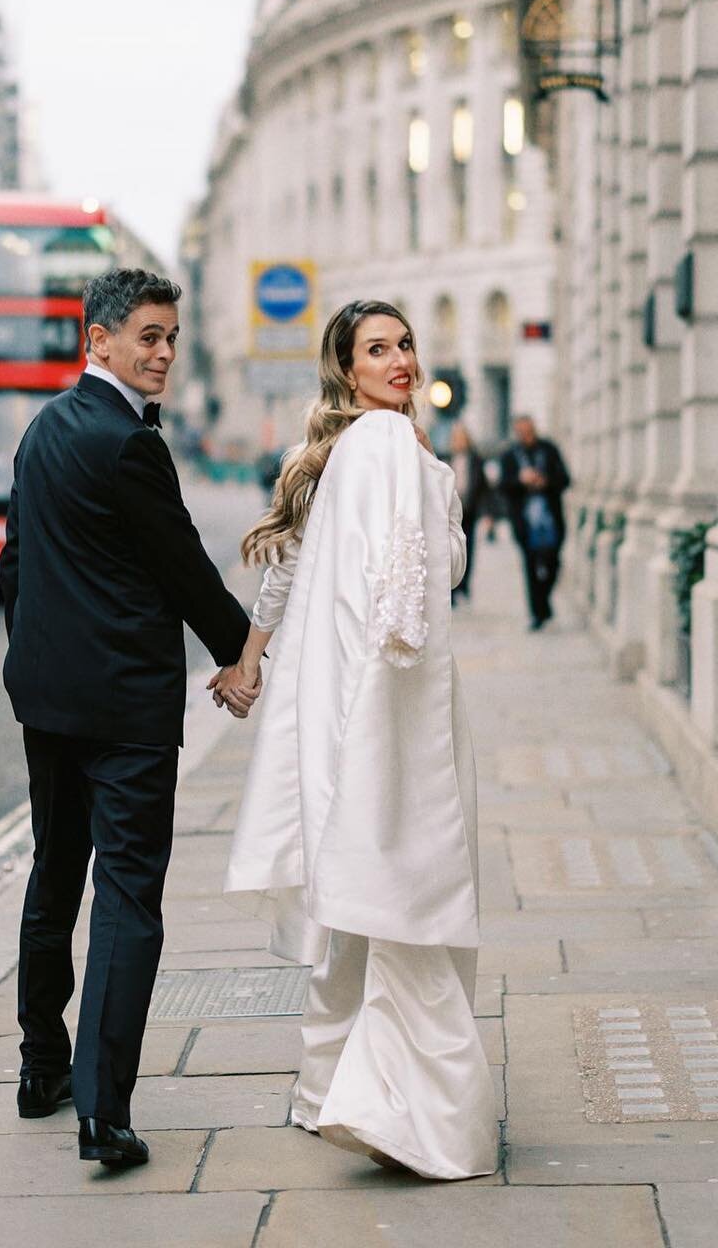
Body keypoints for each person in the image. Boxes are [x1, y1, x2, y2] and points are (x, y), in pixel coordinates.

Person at [218, 300, 500, 1181]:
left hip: (349, 699)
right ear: (346, 370)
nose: (399, 359)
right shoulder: (385, 448)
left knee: (355, 898)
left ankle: (330, 1082)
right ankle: (409, 1114)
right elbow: (409, 589)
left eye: (405, 343)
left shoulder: (355, 451)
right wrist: (389, 693)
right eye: (377, 349)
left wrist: (250, 663)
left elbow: (291, 573)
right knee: (406, 889)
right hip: (394, 700)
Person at [0, 267, 254, 1169]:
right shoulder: (128, 444)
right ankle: (102, 1111)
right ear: (98, 340)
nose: (164, 353)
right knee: (129, 897)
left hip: (49, 701)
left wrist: (29, 662)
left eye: (171, 338)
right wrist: (243, 648)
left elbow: (16, 567)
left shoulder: (43, 433)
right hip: (127, 712)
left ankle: (41, 1069)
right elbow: (183, 568)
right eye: (148, 336)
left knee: (55, 876)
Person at [499, 415, 570, 631]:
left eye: (529, 431)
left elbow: (565, 479)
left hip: (551, 519)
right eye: (522, 432)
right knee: (530, 566)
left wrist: (545, 481)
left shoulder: (548, 450)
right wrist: (521, 481)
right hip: (524, 522)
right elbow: (503, 486)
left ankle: (544, 602)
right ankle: (537, 613)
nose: (526, 436)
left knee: (553, 563)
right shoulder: (510, 455)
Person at [444, 420, 488, 603]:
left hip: (469, 511)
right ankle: (452, 589)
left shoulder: (475, 459)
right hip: (449, 513)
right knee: (448, 549)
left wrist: (487, 513)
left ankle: (464, 585)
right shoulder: (445, 457)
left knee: (467, 549)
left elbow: (483, 487)